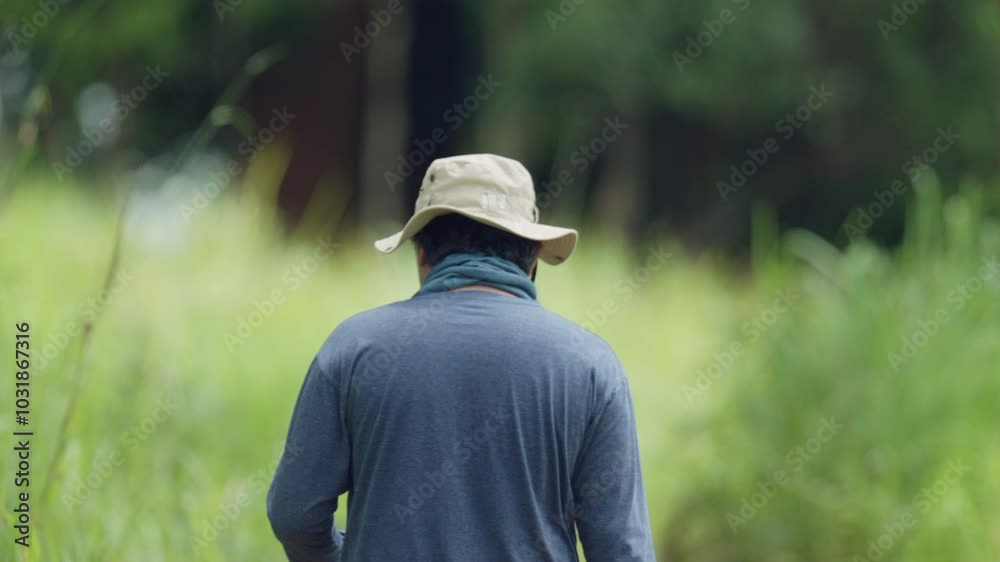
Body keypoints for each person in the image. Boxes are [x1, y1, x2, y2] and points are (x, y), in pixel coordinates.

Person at [266, 153, 655, 561]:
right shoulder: (590, 365)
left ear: (421, 254)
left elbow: (294, 513)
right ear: (534, 256)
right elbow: (623, 550)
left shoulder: (353, 347)